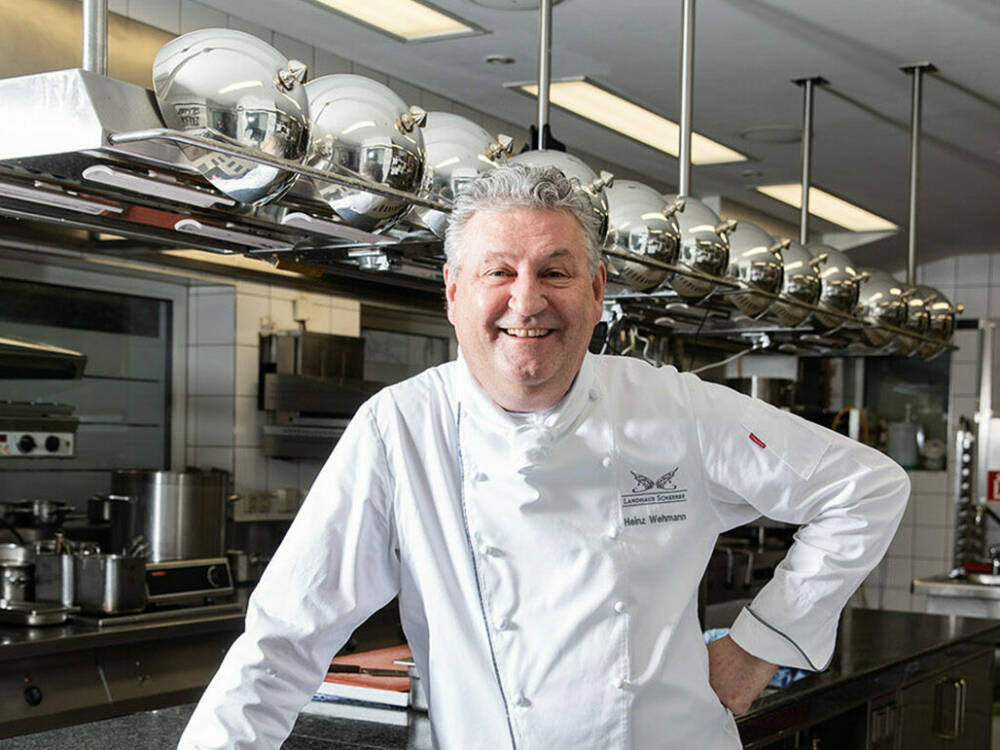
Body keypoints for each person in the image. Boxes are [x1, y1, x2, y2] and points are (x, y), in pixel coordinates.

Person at [179, 165, 908, 750]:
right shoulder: (402, 429)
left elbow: (865, 489)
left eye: (555, 273)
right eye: (499, 272)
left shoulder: (674, 409)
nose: (526, 302)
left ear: (596, 294)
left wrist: (760, 644)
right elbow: (283, 640)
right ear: (454, 293)